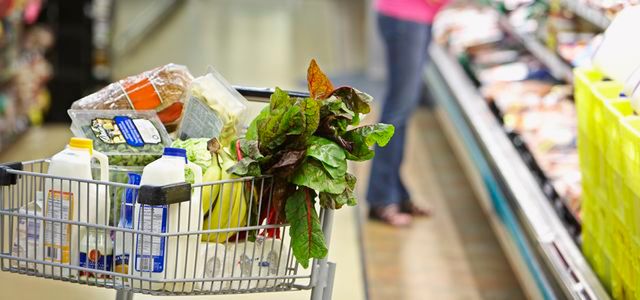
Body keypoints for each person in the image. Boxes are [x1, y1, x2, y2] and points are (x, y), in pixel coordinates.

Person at [367, 0, 449, 226]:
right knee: (397, 111)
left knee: (402, 110)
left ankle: (396, 193)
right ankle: (381, 198)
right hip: (406, 17)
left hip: (414, 17)